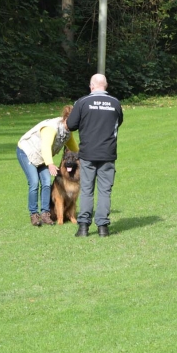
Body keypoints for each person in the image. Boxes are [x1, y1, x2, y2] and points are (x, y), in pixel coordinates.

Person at [65, 74, 124, 237]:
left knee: (86, 190)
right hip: (107, 153)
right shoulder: (115, 103)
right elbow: (118, 122)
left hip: (88, 153)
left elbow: (70, 125)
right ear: (106, 85)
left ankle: (83, 227)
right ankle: (103, 228)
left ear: (91, 86)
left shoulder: (82, 102)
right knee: (105, 191)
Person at [17, 105, 79, 226]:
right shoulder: (52, 128)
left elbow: (75, 150)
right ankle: (34, 215)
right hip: (27, 152)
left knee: (46, 182)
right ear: (67, 119)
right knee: (34, 182)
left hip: (42, 157)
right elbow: (45, 146)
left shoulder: (68, 132)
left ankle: (45, 214)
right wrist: (50, 164)